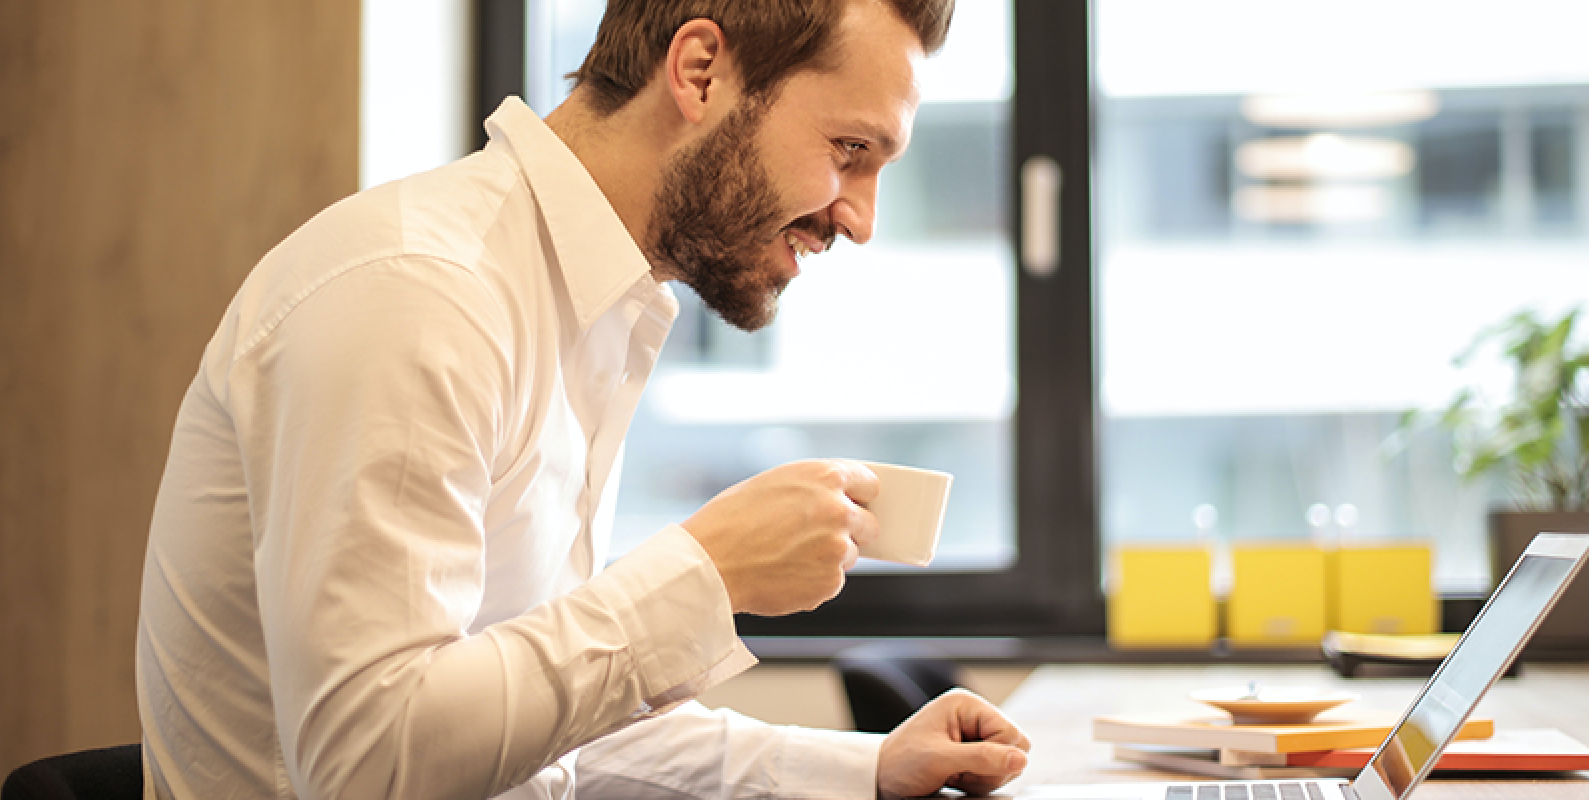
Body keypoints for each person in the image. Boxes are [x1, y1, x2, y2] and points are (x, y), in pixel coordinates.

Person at [133, 1, 1031, 799]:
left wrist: (862, 769)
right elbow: (372, 765)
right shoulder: (420, 294)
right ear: (700, 72)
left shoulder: (596, 308)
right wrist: (704, 573)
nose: (862, 219)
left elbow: (531, 741)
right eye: (849, 152)